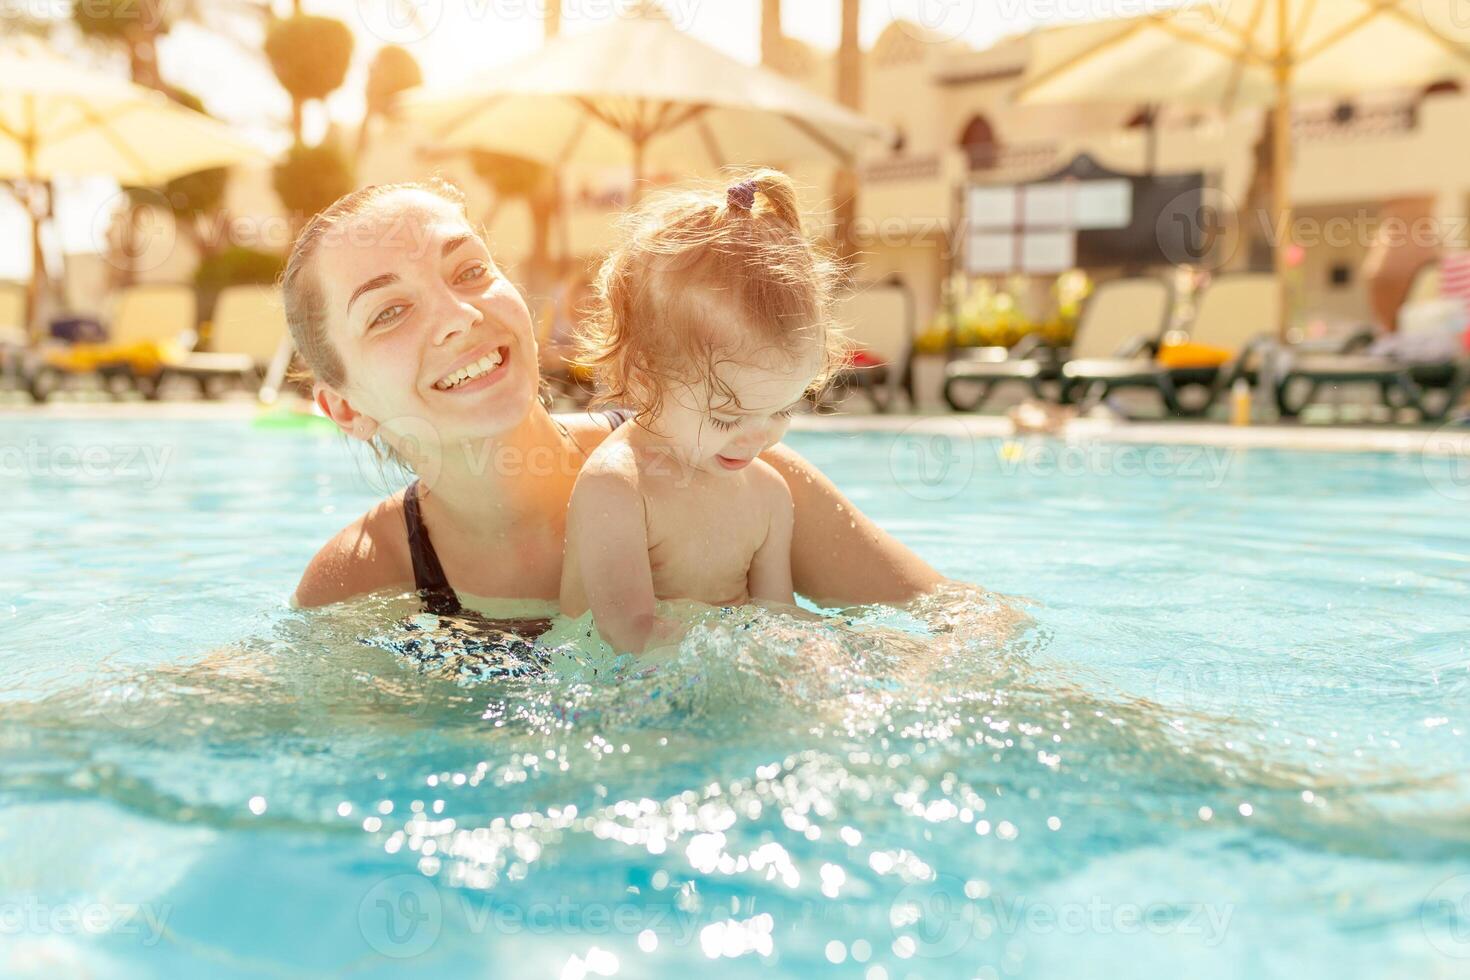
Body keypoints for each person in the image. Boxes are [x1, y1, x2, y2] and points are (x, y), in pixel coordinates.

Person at [286, 178, 946, 629]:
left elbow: (970, 630)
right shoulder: (358, 580)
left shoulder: (724, 465)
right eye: (388, 312)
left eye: (470, 271)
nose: (459, 316)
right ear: (344, 408)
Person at [559, 171, 839, 653]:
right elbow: (627, 634)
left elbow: (778, 612)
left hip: (706, 672)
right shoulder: (619, 487)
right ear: (645, 376)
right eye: (727, 418)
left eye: (779, 411)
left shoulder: (767, 493)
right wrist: (748, 653)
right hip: (609, 699)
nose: (756, 438)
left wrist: (818, 654)